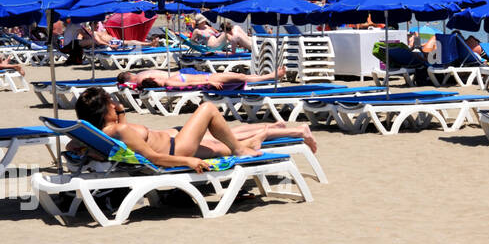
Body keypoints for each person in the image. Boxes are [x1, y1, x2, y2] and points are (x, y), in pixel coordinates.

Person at [74, 87, 316, 171]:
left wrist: (120, 113)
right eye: (109, 102)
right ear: (103, 110)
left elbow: (127, 142)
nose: (114, 104)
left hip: (174, 140)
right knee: (209, 108)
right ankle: (244, 148)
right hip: (177, 148)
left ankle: (268, 136)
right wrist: (186, 162)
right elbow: (153, 157)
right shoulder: (117, 132)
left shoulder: (101, 133)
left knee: (225, 143)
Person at [116, 65, 287, 91]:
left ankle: (271, 76)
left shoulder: (138, 80)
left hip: (204, 77)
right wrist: (209, 81)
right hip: (205, 78)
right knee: (241, 76)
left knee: (241, 77)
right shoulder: (167, 82)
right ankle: (273, 76)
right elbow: (193, 82)